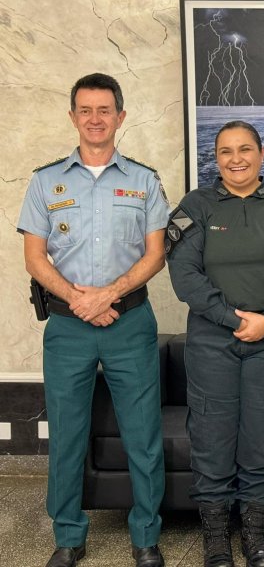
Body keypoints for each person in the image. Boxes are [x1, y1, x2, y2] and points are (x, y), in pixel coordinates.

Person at [17, 73, 168, 567]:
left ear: (120, 117)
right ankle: (68, 535)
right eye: (86, 110)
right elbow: (34, 258)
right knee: (66, 434)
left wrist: (108, 295)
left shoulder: (144, 180)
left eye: (105, 110)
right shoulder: (45, 181)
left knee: (142, 433)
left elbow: (155, 254)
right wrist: (79, 300)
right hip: (67, 327)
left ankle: (145, 536)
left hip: (130, 322)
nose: (95, 119)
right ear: (73, 117)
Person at [166, 121, 264, 567]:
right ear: (216, 158)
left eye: (245, 149)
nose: (236, 159)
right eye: (225, 151)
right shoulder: (195, 206)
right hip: (212, 342)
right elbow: (185, 276)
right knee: (211, 437)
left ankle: (255, 536)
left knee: (261, 438)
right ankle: (215, 539)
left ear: (262, 154)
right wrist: (233, 319)